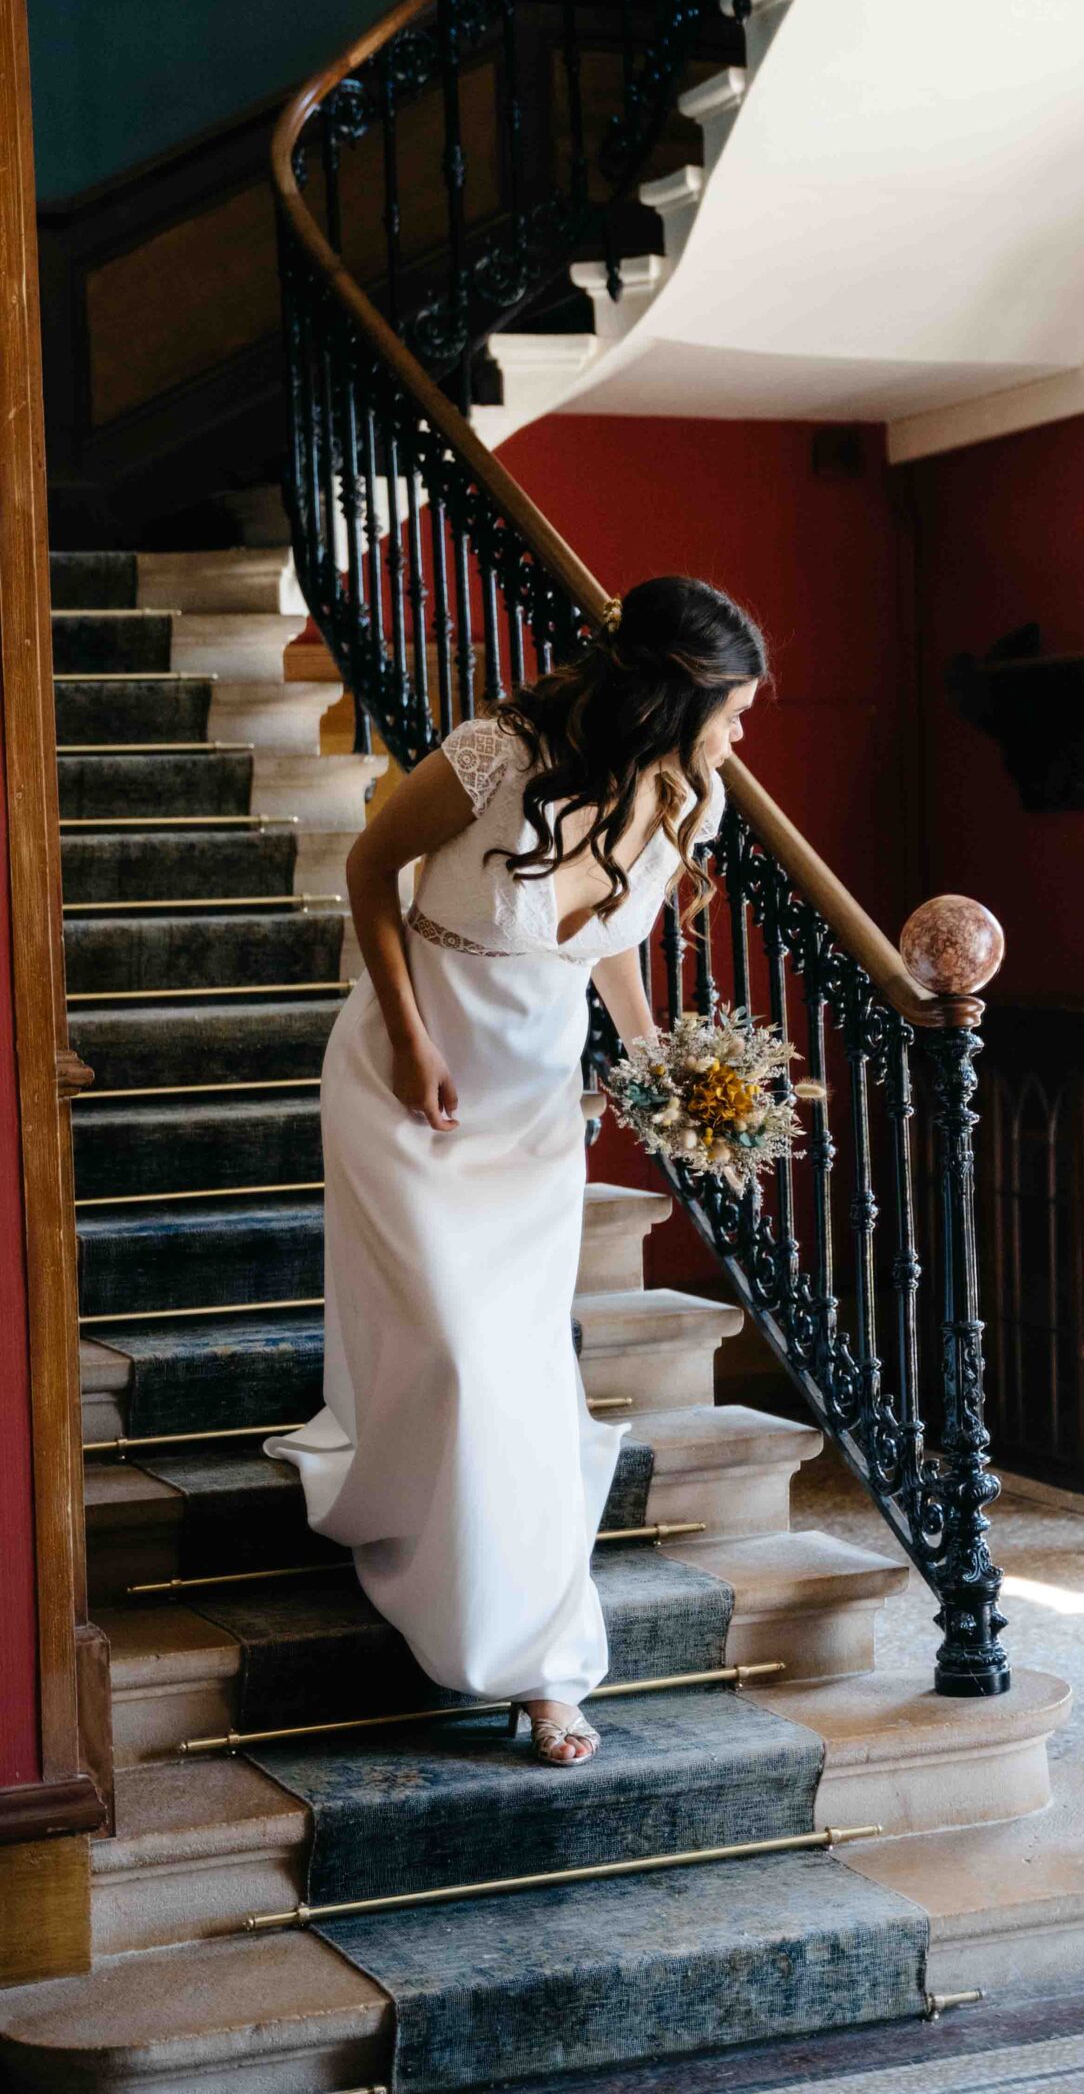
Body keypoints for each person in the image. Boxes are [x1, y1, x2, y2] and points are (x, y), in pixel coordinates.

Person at [267, 576, 765, 1766]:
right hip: (410, 1092)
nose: (742, 733)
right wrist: (411, 1036)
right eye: (733, 708)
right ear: (665, 696)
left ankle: (545, 1667)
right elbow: (369, 873)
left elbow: (601, 957)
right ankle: (407, 1515)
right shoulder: (499, 752)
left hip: (535, 1114)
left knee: (522, 1377)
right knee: (450, 1352)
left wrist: (658, 1074)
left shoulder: (685, 794)